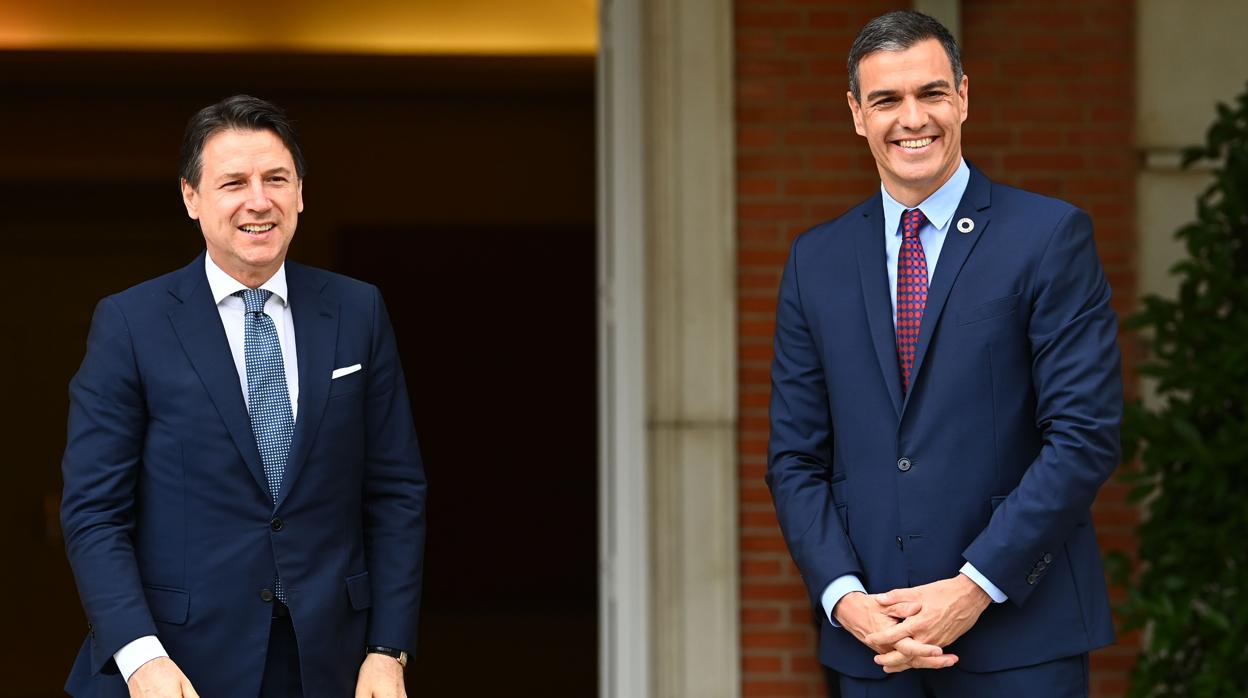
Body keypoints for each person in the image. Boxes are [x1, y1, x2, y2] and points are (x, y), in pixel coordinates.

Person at [766, 11, 1121, 697]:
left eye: (931, 93)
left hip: (1021, 641)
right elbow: (795, 458)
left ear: (963, 95)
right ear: (856, 114)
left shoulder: (1048, 237)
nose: (912, 119)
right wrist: (846, 600)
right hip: (874, 647)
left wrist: (974, 587)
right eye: (886, 100)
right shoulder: (816, 261)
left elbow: (1084, 436)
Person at [60, 95, 427, 698]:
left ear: (300, 193)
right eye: (233, 182)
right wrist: (139, 657)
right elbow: (94, 511)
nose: (259, 200)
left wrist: (388, 650)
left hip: (329, 664)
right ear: (191, 198)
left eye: (276, 179)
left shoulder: (358, 311)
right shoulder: (132, 322)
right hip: (174, 666)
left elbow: (396, 493)